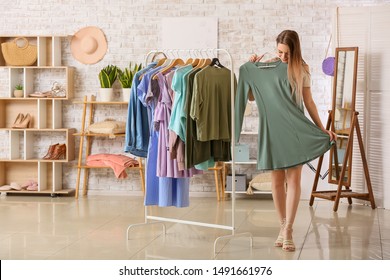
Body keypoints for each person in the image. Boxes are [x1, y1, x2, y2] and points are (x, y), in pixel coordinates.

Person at [240, 30, 337, 252]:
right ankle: (281, 226)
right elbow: (251, 97)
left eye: (287, 53)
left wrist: (323, 129)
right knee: (277, 182)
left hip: (294, 130)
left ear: (295, 50)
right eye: (280, 51)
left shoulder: (302, 69)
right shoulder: (268, 67)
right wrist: (251, 68)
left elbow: (309, 102)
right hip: (273, 130)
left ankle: (289, 229)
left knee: (293, 181)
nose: (282, 57)